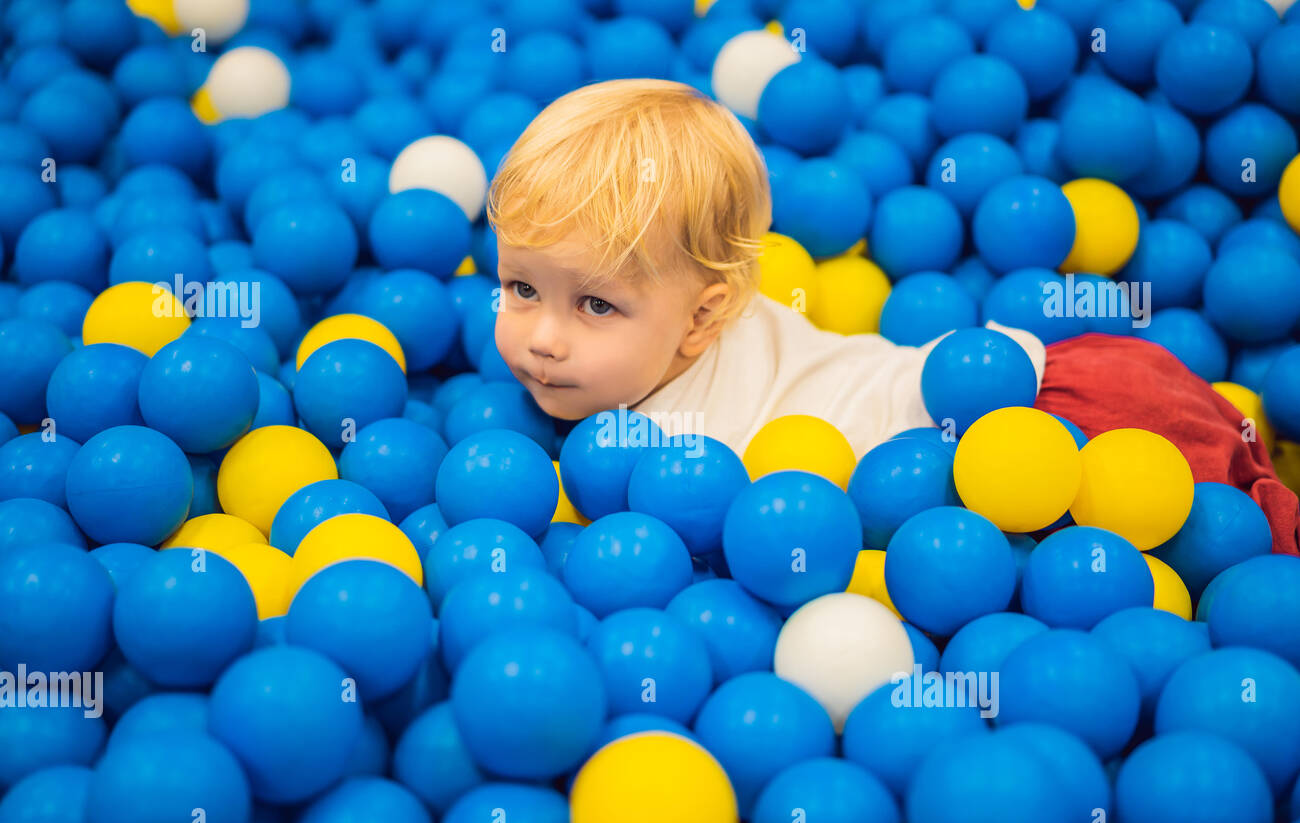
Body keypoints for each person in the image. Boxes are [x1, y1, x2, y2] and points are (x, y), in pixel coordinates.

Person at [486, 78, 1299, 555]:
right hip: (1047, 381)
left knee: (1249, 541)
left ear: (702, 320)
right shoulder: (707, 302)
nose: (543, 339)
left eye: (595, 305)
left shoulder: (690, 448)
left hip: (1058, 421)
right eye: (521, 289)